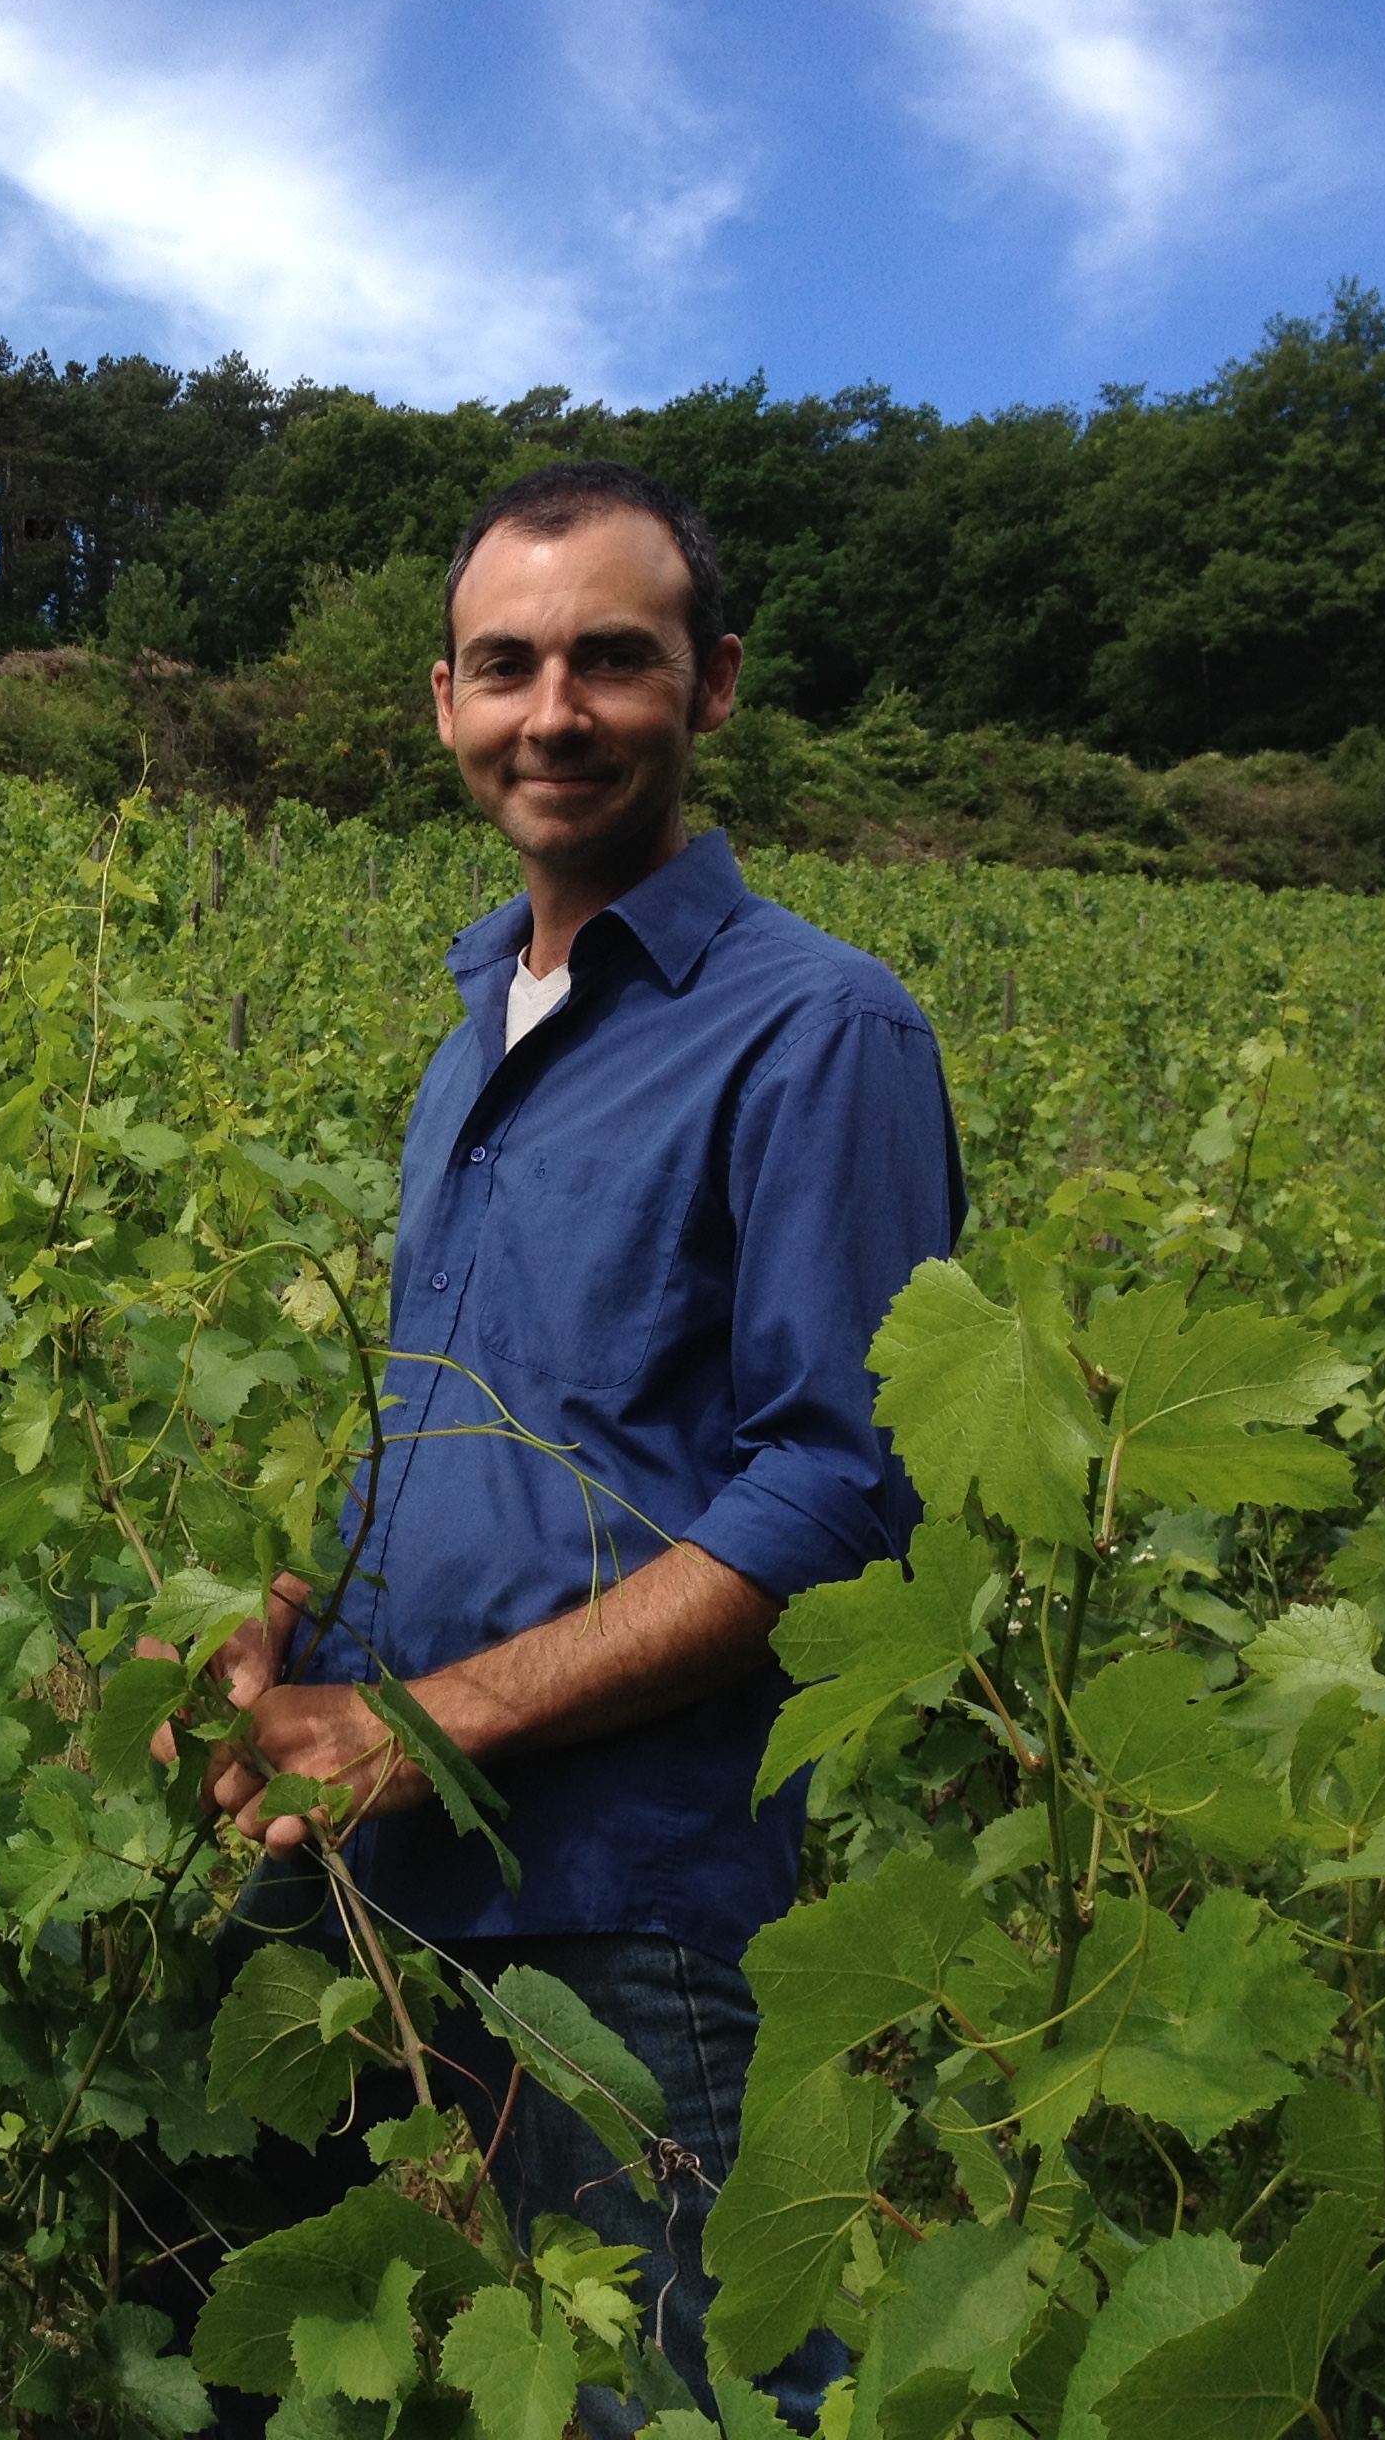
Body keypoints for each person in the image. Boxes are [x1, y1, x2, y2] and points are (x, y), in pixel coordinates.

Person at [195, 462, 964, 2433]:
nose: (555, 711)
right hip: (396, 1862)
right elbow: (458, 1415)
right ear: (445, 704)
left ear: (711, 689)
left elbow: (835, 1499)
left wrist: (419, 1721)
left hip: (632, 1900)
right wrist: (281, 1626)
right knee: (340, 2331)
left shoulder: (820, 1033)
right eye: (507, 665)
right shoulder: (483, 1027)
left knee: (678, 2399)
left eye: (612, 660)